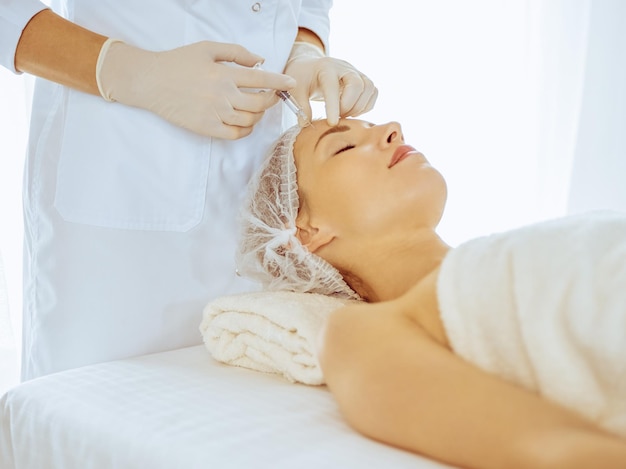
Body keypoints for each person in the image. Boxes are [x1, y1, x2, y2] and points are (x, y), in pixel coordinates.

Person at [0, 0, 377, 380]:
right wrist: (132, 74)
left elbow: (307, 7)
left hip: (258, 201)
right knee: (94, 405)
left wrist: (304, 51)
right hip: (122, 198)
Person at [236, 118, 626, 469]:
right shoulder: (357, 334)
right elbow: (559, 452)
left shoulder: (500, 257)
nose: (393, 127)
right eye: (344, 146)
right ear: (303, 233)